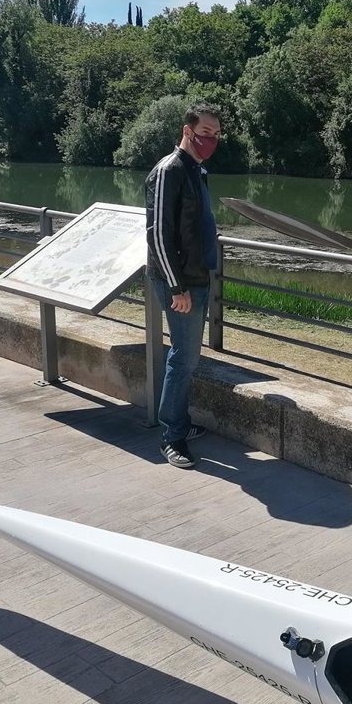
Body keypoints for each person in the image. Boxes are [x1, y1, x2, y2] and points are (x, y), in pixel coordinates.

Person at [145, 102, 222, 469]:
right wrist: (177, 287)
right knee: (184, 357)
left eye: (217, 134)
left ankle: (179, 422)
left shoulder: (197, 170)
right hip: (179, 283)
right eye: (206, 132)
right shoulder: (169, 171)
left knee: (188, 357)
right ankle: (171, 435)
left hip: (196, 277)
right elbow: (158, 234)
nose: (212, 139)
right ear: (188, 131)